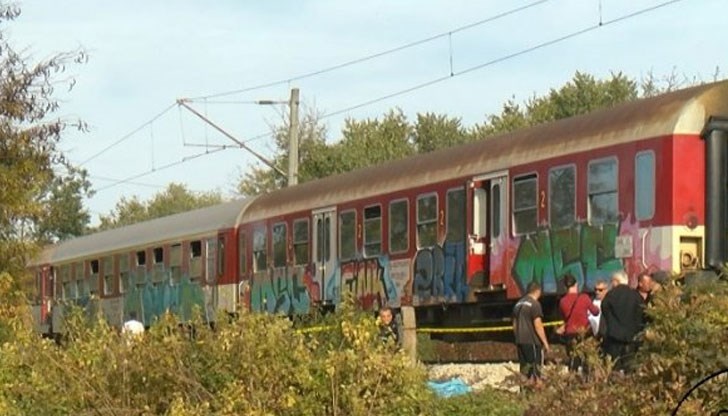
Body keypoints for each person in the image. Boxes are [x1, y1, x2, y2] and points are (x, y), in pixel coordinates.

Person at [600, 271, 643, 372]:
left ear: (616, 281)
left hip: (614, 338)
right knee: (630, 367)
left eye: (612, 281)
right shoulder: (636, 296)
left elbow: (604, 310)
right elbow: (641, 313)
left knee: (614, 368)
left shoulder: (610, 295)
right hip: (632, 337)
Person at [557, 274, 599, 372]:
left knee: (573, 360)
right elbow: (595, 312)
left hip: (570, 333)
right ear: (576, 284)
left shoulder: (562, 301)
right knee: (587, 359)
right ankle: (586, 378)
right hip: (584, 332)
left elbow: (564, 318)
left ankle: (574, 377)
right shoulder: (584, 297)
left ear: (565, 287)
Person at [513, 281, 550, 386]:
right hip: (532, 341)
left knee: (524, 369)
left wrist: (517, 337)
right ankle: (536, 390)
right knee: (535, 369)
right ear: (538, 291)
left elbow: (514, 325)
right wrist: (545, 343)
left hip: (520, 341)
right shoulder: (534, 304)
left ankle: (524, 391)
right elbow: (538, 325)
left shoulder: (518, 304)